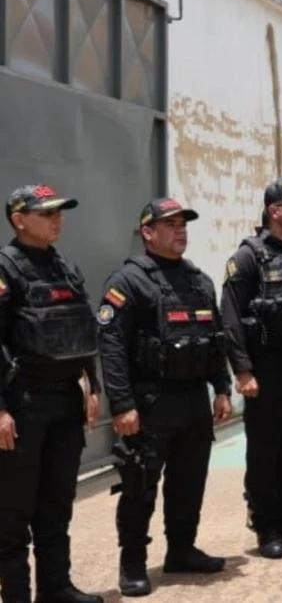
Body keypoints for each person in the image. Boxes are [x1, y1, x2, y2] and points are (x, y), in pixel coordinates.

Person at [97, 198, 230, 596]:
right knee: (140, 484)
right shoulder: (128, 282)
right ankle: (133, 563)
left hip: (193, 400)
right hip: (151, 401)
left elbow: (214, 338)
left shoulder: (198, 280)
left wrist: (222, 388)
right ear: (148, 232)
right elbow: (112, 347)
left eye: (183, 224)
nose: (180, 230)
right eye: (170, 225)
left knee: (189, 482)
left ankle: (182, 550)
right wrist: (122, 404)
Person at [0, 185, 102, 603]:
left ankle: (56, 589)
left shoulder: (65, 268)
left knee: (57, 504)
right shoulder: (5, 268)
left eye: (59, 212)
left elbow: (82, 328)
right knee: (13, 511)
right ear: (18, 219)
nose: (57, 219)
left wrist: (91, 387)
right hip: (23, 404)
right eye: (46, 213)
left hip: (64, 401)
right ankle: (17, 596)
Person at [220, 178, 282, 558]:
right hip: (266, 368)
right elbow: (230, 317)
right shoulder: (250, 257)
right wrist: (243, 370)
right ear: (274, 211)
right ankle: (267, 525)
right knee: (266, 450)